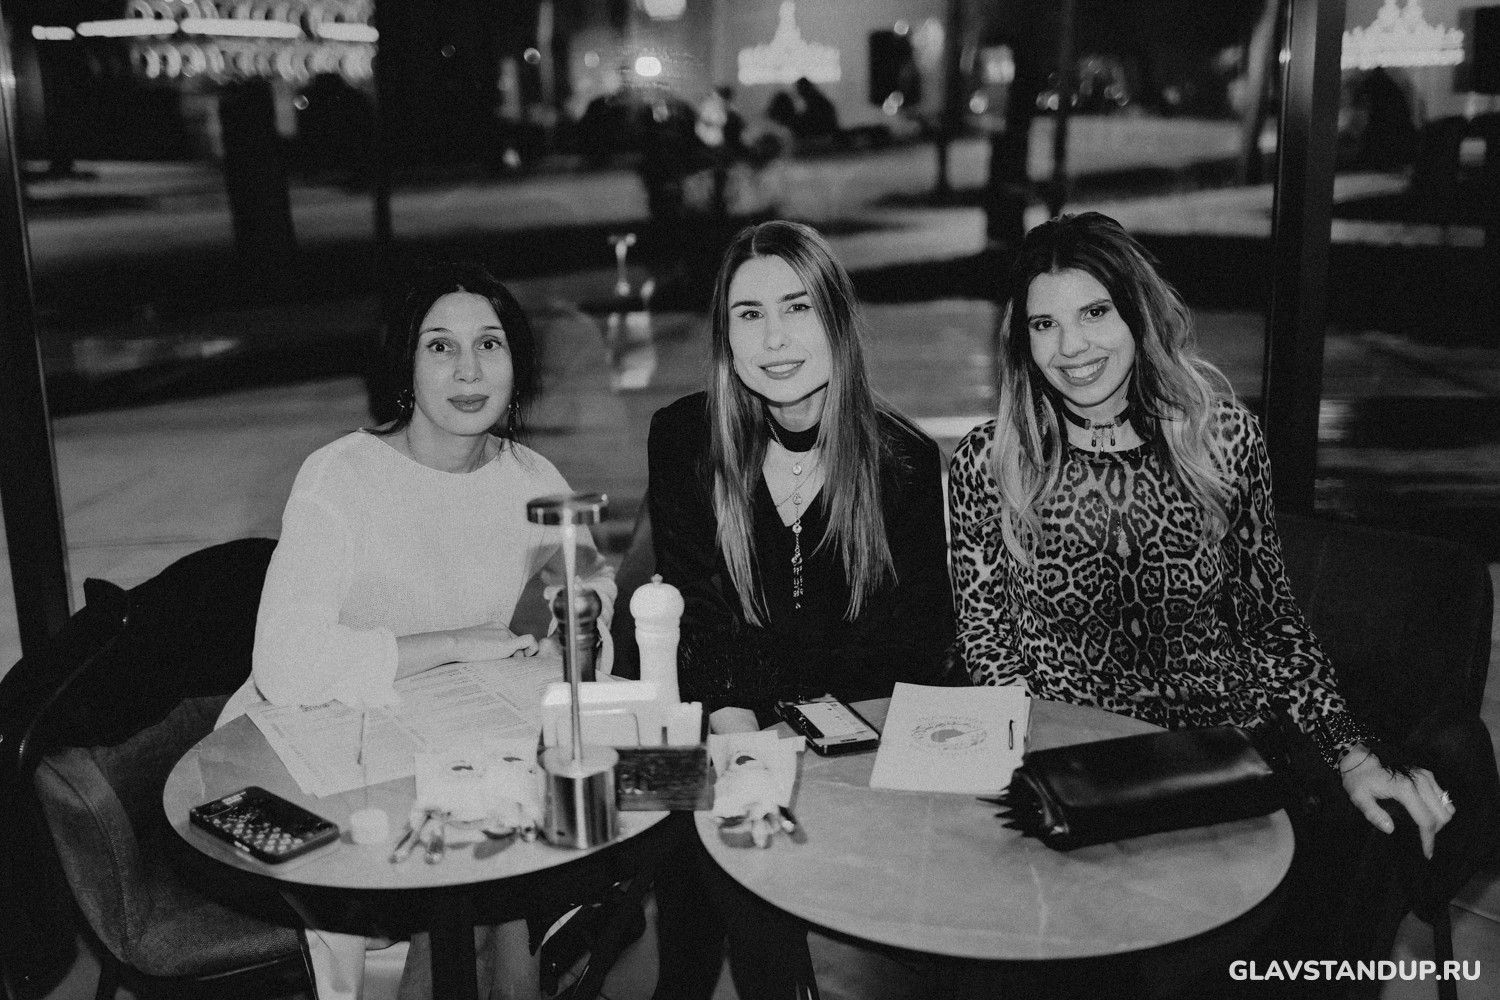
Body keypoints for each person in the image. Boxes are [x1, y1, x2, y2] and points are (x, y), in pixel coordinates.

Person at [947, 212, 1497, 995]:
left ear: (1138, 314)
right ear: (1020, 340)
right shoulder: (991, 459)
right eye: (1045, 324)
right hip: (1073, 766)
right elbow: (987, 636)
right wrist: (1020, 762)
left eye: (1095, 312)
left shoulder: (1220, 438)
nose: (1071, 348)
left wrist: (1355, 759)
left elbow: (1271, 625)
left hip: (1216, 761)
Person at [218, 261, 616, 1000]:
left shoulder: (530, 477)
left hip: (444, 736)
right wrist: (457, 642)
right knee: (478, 866)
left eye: (489, 344)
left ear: (516, 364)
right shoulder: (340, 477)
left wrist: (578, 621)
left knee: (500, 844)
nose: (468, 371)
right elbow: (284, 663)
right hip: (317, 747)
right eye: (440, 347)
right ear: (405, 364)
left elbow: (592, 587)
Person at [647, 220, 956, 999]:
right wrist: (747, 752)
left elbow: (909, 654)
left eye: (798, 308)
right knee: (675, 824)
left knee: (769, 886)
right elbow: (700, 624)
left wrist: (799, 745)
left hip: (846, 747)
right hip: (714, 729)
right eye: (749, 314)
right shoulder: (683, 438)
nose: (775, 338)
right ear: (726, 337)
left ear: (837, 321)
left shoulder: (903, 462)